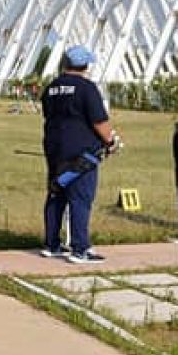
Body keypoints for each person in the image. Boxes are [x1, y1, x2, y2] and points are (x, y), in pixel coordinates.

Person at [40, 45, 118, 264]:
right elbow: (99, 121)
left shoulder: (51, 88)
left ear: (65, 63)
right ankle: (80, 249)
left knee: (56, 193)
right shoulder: (86, 88)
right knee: (80, 198)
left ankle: (52, 244)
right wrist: (110, 142)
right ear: (85, 65)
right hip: (81, 152)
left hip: (54, 149)